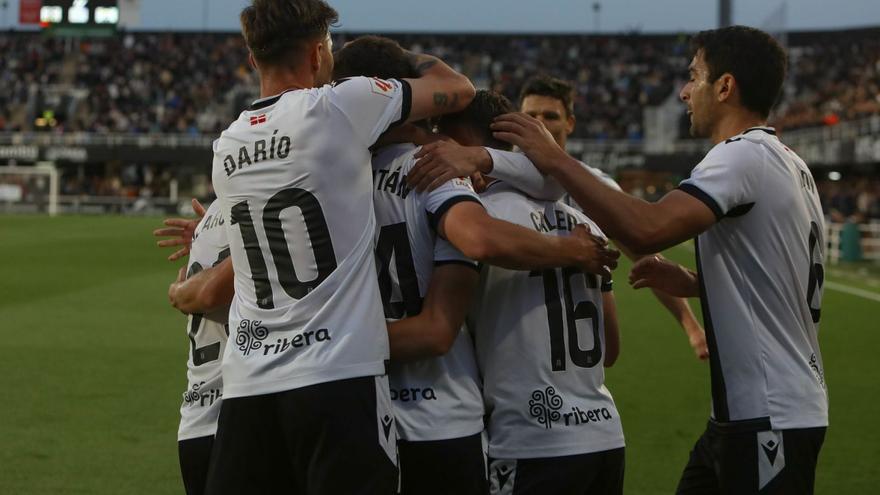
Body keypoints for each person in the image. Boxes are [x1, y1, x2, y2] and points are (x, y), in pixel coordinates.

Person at [489, 26, 828, 494]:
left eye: (694, 77)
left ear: (725, 86)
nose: (685, 91)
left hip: (769, 414)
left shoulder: (739, 156)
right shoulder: (790, 161)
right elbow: (774, 273)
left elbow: (646, 229)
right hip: (747, 413)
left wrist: (555, 160)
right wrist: (691, 280)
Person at [205, 1, 477, 493]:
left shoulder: (227, 144)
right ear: (317, 54)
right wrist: (393, 57)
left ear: (252, 60)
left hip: (249, 383)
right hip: (336, 376)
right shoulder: (339, 106)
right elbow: (459, 90)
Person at [332, 36, 620, 495]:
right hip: (493, 422)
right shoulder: (568, 220)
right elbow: (610, 347)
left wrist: (324, 344)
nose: (440, 141)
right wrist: (571, 250)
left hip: (370, 412)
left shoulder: (334, 181)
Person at [408, 74, 708, 360]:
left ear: (570, 122)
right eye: (531, 115)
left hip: (567, 350)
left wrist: (690, 325)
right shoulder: (487, 179)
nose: (539, 124)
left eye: (550, 116)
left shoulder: (593, 187)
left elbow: (644, 256)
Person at [437, 90, 626, 495]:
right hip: (604, 436)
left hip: (530, 439)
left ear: (458, 146)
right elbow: (610, 346)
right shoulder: (584, 224)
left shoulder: (473, 219)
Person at [153, 199, 230, 495]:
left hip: (196, 417)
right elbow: (211, 293)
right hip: (237, 415)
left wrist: (209, 236)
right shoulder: (257, 208)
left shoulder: (215, 212)